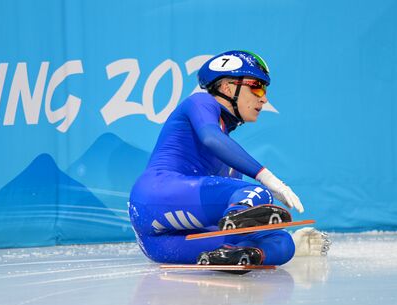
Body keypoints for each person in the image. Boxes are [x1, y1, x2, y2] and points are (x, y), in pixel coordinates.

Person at [128, 50, 305, 266]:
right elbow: (210, 138)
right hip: (155, 193)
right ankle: (238, 228)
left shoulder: (230, 162)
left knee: (283, 241)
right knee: (258, 193)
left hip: (159, 245)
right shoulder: (201, 102)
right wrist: (267, 178)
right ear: (227, 87)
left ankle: (240, 255)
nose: (264, 98)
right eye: (257, 86)